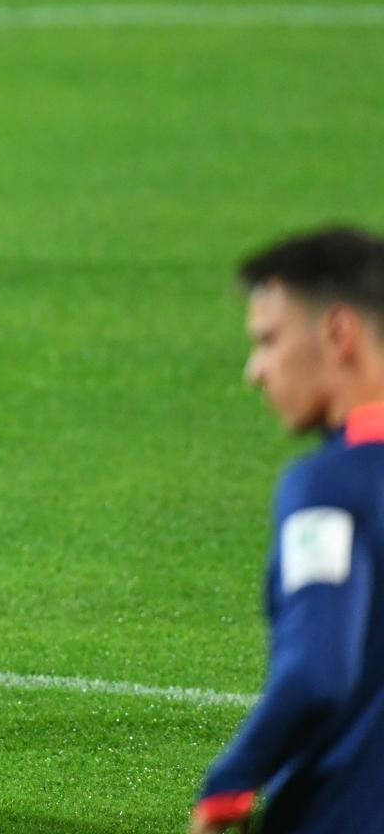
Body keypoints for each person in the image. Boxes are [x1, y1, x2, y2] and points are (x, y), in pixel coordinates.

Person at [192, 227, 384, 833]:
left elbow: (317, 671)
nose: (255, 372)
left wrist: (229, 782)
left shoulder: (332, 485)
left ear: (338, 333)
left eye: (269, 341)